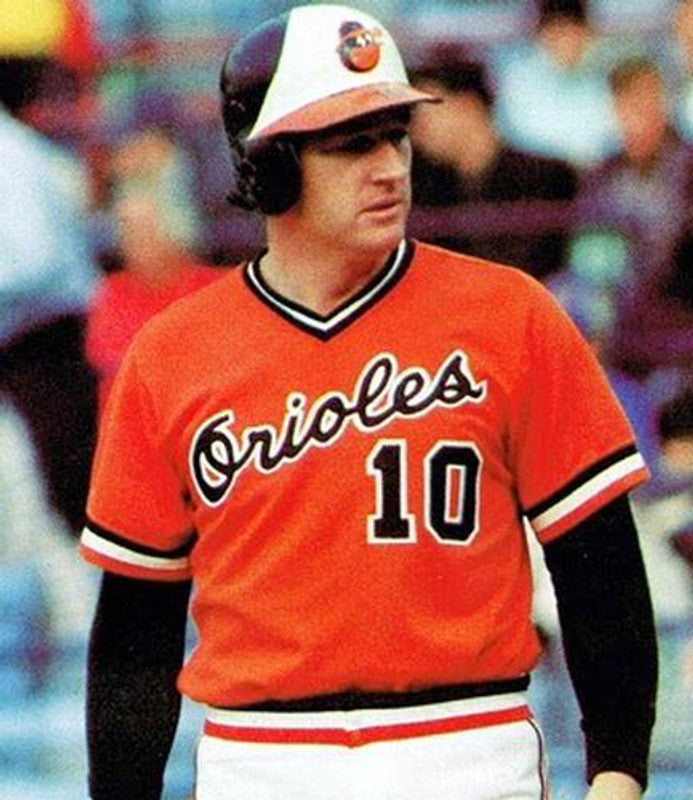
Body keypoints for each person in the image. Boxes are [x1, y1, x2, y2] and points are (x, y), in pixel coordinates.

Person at [80, 5, 657, 800]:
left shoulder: (511, 315)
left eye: (395, 136)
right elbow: (135, 629)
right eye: (352, 144)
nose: (389, 166)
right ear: (270, 164)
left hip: (467, 747)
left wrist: (617, 773)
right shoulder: (171, 354)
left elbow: (600, 568)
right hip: (261, 760)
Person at [0, 55, 99, 534]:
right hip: (28, 344)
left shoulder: (8, 154)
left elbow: (35, 259)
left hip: (46, 342)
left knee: (76, 503)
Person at [85, 125, 222, 415]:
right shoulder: (113, 292)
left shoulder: (218, 291)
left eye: (143, 233)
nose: (128, 240)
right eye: (126, 230)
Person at [409, 47, 577, 282]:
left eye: (424, 114)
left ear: (467, 105)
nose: (417, 130)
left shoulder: (548, 177)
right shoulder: (428, 192)